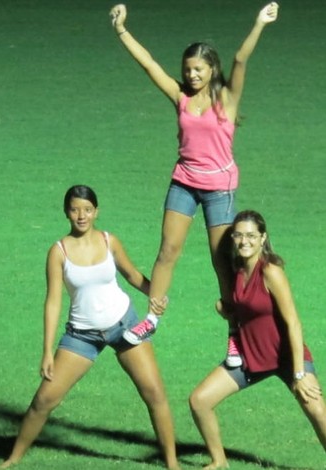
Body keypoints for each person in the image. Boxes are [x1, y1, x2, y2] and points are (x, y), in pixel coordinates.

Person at [109, 3, 280, 366]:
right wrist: (122, 30)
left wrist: (259, 23)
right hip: (183, 182)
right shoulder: (180, 97)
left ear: (211, 69)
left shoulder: (227, 99)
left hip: (219, 188)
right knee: (167, 252)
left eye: (198, 69)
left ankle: (234, 336)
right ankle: (151, 319)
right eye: (187, 69)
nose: (191, 75)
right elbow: (149, 65)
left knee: (223, 263)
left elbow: (240, 59)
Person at [0, 185, 178, 469]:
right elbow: (53, 302)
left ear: (96, 212)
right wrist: (47, 351)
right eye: (74, 209)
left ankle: (172, 464)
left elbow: (132, 275)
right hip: (81, 336)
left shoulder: (110, 241)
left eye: (87, 209)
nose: (81, 215)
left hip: (125, 325)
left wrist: (155, 297)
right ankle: (13, 459)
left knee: (155, 393)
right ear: (66, 212)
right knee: (44, 400)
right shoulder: (58, 252)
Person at [189, 210, 326, 468]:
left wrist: (298, 373)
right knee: (199, 401)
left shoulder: (271, 271)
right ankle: (219, 462)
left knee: (319, 413)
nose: (244, 241)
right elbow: (246, 309)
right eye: (239, 235)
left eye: (251, 235)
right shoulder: (238, 270)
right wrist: (223, 309)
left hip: (288, 357)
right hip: (250, 356)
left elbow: (294, 323)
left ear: (263, 238)